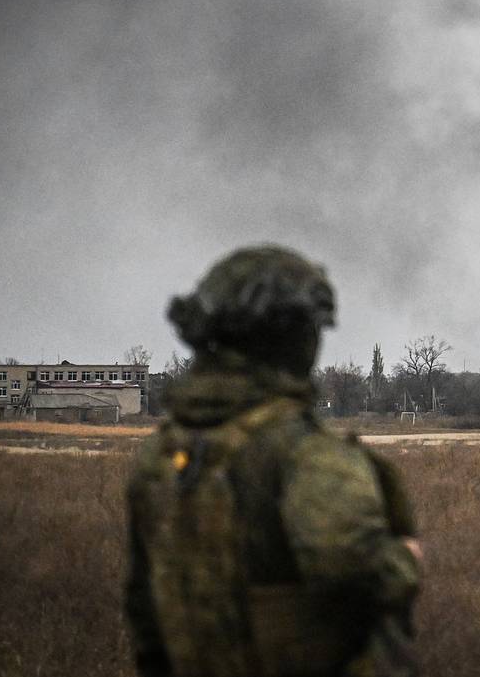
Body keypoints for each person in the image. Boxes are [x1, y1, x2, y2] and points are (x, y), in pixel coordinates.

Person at [125, 246, 420, 677]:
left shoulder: (158, 457)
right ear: (298, 337)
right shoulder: (306, 455)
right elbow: (362, 580)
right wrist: (407, 559)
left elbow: (145, 618)